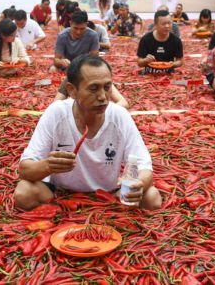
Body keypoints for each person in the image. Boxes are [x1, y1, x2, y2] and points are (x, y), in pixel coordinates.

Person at [14, 54, 161, 211]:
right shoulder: (57, 113)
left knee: (151, 198)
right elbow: (24, 170)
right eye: (93, 88)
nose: (103, 97)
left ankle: (91, 211)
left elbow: (144, 167)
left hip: (108, 194)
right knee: (24, 193)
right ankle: (66, 210)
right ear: (72, 90)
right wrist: (48, 166)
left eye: (107, 87)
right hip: (61, 194)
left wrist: (139, 184)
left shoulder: (119, 115)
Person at [137, 9, 183, 74]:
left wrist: (173, 64)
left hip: (168, 73)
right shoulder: (146, 39)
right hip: (150, 73)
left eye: (169, 23)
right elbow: (139, 62)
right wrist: (145, 60)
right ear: (155, 25)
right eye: (164, 24)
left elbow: (180, 61)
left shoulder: (176, 40)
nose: (167, 26)